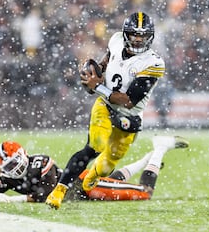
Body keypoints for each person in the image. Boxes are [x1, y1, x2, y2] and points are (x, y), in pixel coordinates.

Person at [45, 11, 166, 209]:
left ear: (149, 37)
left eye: (142, 36)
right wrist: (94, 72)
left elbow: (128, 101)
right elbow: (106, 62)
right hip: (106, 105)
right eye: (134, 35)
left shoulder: (154, 63)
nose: (137, 40)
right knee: (95, 146)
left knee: (107, 165)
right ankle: (59, 191)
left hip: (130, 116)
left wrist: (97, 86)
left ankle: (92, 175)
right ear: (125, 34)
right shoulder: (116, 41)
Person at [0, 136, 189, 203]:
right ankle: (148, 159)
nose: (14, 169)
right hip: (85, 190)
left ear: (24, 156)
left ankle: (160, 147)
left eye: (15, 162)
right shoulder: (8, 176)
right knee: (114, 180)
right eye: (9, 166)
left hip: (85, 186)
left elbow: (46, 195)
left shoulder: (40, 164)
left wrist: (12, 200)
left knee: (143, 193)